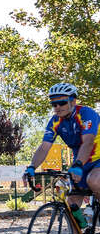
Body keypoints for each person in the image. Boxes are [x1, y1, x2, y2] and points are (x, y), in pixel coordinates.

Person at [24, 82, 100, 221]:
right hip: (80, 163)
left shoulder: (86, 113)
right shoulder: (55, 121)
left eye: (62, 102)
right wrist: (31, 167)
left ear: (73, 101)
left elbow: (88, 142)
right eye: (54, 104)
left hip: (96, 160)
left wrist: (77, 165)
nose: (57, 107)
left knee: (94, 181)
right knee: (70, 207)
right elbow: (44, 147)